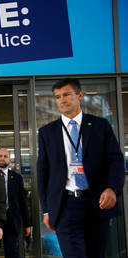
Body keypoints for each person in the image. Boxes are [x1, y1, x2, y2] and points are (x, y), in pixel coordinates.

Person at [37, 78, 125, 257]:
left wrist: (113, 189)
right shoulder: (48, 132)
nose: (62, 100)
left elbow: (115, 160)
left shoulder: (100, 126)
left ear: (79, 95)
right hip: (65, 206)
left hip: (97, 203)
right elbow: (42, 173)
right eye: (58, 96)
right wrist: (46, 209)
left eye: (67, 94)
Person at [0, 149, 31, 258]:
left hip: (12, 220)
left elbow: (22, 202)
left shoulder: (17, 178)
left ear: (9, 160)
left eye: (5, 156)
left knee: (12, 252)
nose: (2, 158)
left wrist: (27, 224)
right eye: (0, 156)